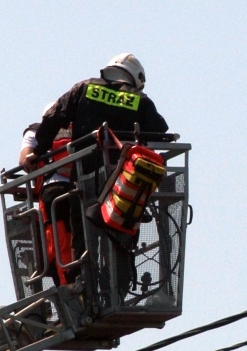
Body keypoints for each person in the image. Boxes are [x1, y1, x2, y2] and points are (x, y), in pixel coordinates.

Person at [22, 53, 169, 301]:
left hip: (85, 178)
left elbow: (53, 118)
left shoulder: (83, 89)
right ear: (135, 78)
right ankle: (117, 293)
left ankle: (85, 291)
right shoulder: (139, 99)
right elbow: (161, 132)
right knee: (121, 234)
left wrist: (37, 152)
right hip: (123, 182)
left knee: (84, 235)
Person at [20, 108, 77, 286]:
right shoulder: (77, 129)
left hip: (53, 192)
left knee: (59, 246)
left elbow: (24, 161)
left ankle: (68, 287)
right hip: (82, 188)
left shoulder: (35, 131)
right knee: (81, 241)